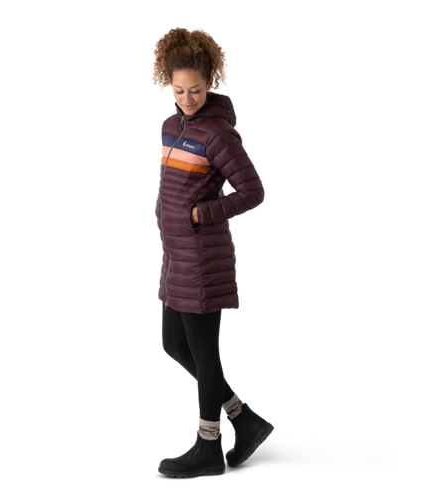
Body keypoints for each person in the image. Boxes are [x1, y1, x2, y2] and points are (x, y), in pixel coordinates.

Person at [152, 25, 273, 478]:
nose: (187, 99)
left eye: (196, 90)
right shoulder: (171, 125)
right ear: (168, 84)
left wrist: (202, 213)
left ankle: (207, 445)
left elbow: (253, 190)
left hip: (202, 259)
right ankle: (245, 420)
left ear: (211, 84)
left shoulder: (219, 133)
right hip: (175, 258)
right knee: (172, 343)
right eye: (179, 90)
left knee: (204, 354)